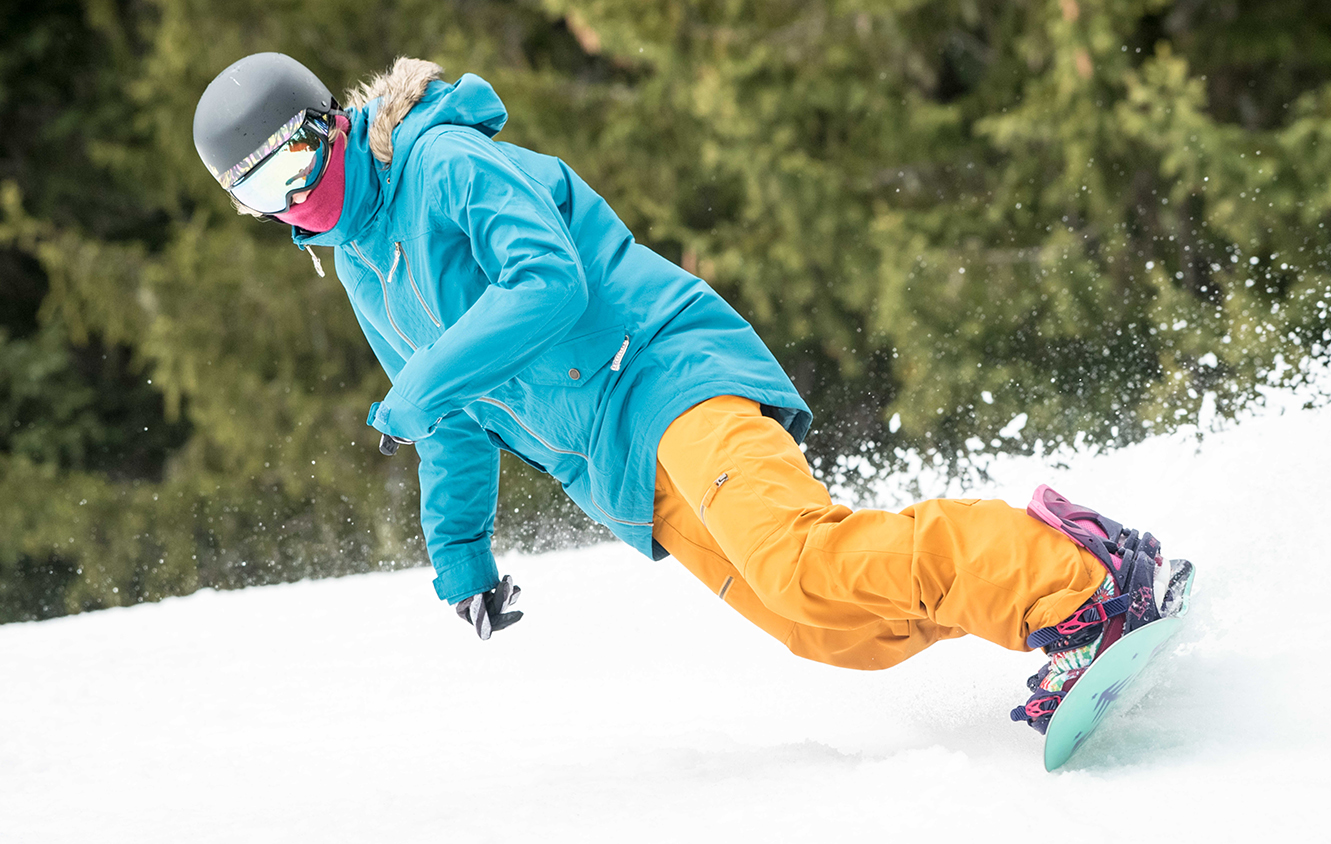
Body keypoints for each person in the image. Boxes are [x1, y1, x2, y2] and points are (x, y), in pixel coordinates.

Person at [192, 53, 1190, 733]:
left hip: (663, 374)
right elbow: (449, 408)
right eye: (255, 195)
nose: (287, 202)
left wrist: (422, 383)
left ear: (327, 125)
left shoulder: (444, 165)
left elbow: (547, 282)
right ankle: (1052, 599)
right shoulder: (366, 264)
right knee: (825, 629)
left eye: (287, 166)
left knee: (801, 562)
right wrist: (462, 560)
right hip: (621, 464)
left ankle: (1079, 586)